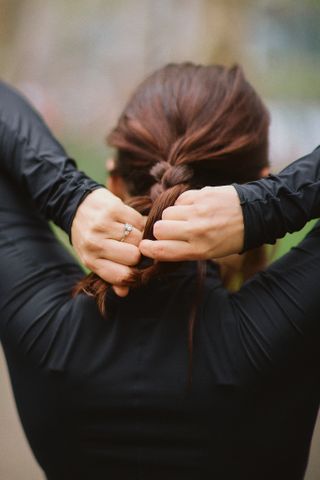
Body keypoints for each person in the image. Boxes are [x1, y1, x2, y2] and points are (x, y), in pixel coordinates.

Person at [1, 64, 320, 480]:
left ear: (114, 182)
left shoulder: (43, 328)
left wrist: (69, 196)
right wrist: (271, 205)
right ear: (257, 182)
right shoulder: (286, 332)